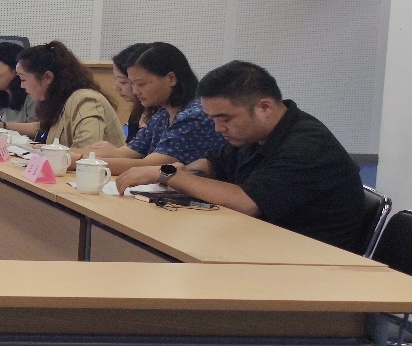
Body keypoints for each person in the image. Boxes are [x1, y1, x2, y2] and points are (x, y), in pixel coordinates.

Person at [115, 61, 365, 252]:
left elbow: (247, 203)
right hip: (263, 247)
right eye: (213, 119)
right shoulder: (252, 134)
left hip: (312, 266)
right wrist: (190, 173)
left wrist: (169, 174)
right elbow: (212, 163)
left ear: (264, 107)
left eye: (224, 118)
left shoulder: (307, 147)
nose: (218, 128)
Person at [75, 43, 224, 173]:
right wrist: (70, 155)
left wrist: (78, 162)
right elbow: (126, 153)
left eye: (141, 84)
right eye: (132, 84)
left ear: (171, 79)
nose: (135, 91)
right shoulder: (163, 114)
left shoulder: (193, 116)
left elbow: (149, 165)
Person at [15, 41, 124, 147]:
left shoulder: (85, 100)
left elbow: (87, 149)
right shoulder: (55, 101)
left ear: (48, 77)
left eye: (23, 79)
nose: (21, 86)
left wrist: (42, 150)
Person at [0, 40, 38, 133]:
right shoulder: (2, 94)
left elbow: (38, 129)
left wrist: (3, 126)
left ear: (15, 70)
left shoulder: (32, 94)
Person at [111, 43, 150, 139]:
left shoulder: (162, 117)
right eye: (115, 79)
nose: (116, 87)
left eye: (123, 82)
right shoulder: (137, 113)